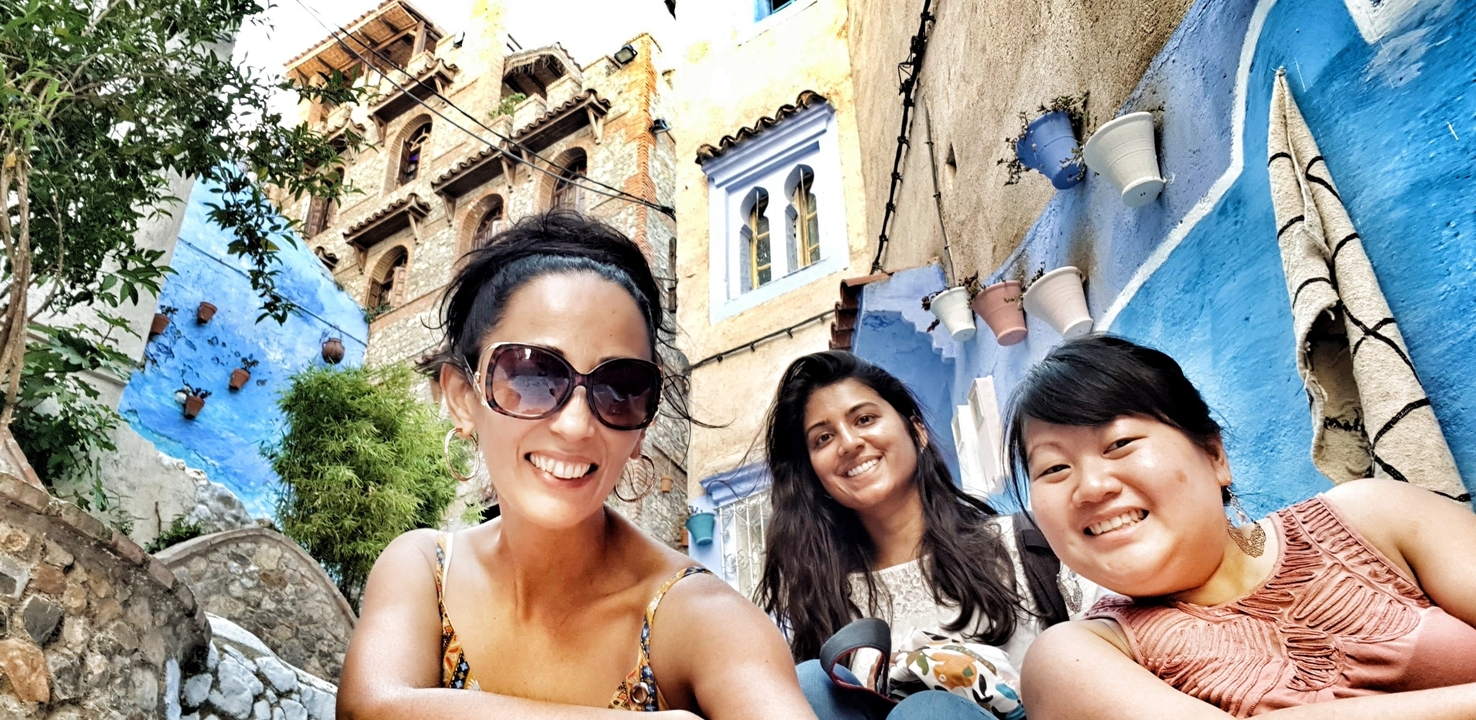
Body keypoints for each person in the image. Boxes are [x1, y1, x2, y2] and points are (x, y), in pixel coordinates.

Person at [337, 212, 817, 719]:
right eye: (532, 374)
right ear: (463, 397)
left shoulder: (700, 618)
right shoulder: (424, 569)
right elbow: (368, 707)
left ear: (643, 426)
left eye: (620, 388)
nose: (575, 425)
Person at [1007, 334, 1476, 719]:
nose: (1090, 487)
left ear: (1214, 455)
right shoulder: (1073, 658)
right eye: (1053, 469)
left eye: (1120, 443)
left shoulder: (1374, 516)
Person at [755, 351, 1099, 719]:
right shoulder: (825, 601)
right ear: (814, 474)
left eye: (865, 419)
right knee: (808, 682)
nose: (849, 443)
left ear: (916, 430)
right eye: (823, 438)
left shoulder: (1025, 546)